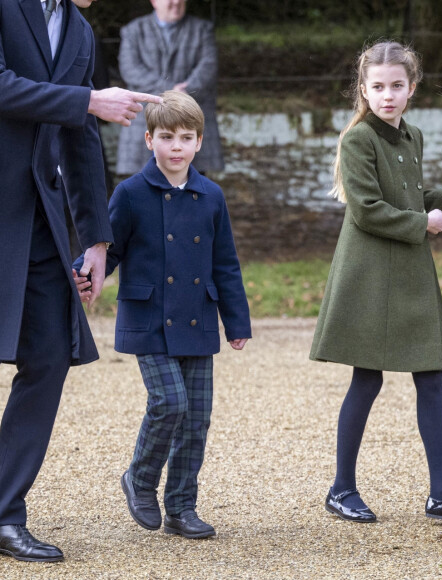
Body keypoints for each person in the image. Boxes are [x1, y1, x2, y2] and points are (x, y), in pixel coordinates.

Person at [0, 0, 162, 564]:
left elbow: (81, 140)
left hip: (40, 222)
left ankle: (3, 513)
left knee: (47, 357)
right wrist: (89, 100)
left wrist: (97, 241)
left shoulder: (82, 31)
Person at [310, 40, 442, 525]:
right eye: (378, 87)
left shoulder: (410, 136)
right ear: (364, 90)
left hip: (409, 271)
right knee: (366, 379)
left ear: (411, 88)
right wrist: (425, 222)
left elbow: (407, 190)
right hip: (369, 273)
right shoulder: (356, 140)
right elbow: (368, 209)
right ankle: (341, 488)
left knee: (432, 377)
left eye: (396, 86)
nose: (387, 95)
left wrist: (440, 195)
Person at [74, 90, 251, 540]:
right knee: (170, 402)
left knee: (197, 417)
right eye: (167, 137)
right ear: (149, 140)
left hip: (197, 318)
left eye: (186, 137)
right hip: (147, 318)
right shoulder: (131, 193)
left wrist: (237, 321)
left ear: (199, 142)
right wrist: (87, 273)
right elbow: (107, 250)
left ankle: (181, 507)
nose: (177, 146)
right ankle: (139, 478)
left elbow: (225, 262)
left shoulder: (211, 195)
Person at [116, 0, 224, 177]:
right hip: (144, 124)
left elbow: (208, 67)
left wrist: (188, 89)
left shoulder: (202, 29)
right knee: (144, 197)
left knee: (192, 195)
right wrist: (172, 90)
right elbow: (130, 70)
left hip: (190, 122)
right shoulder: (133, 30)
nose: (176, 2)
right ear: (154, 2)